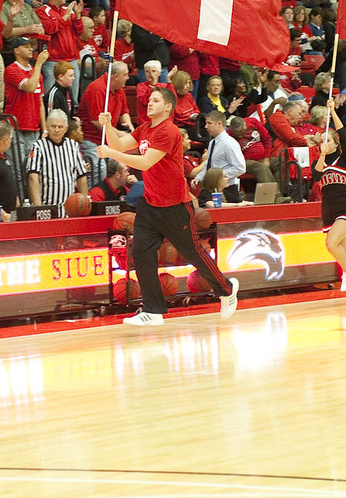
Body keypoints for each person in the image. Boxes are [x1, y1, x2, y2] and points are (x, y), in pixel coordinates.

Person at [96, 87, 239, 326]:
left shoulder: (169, 131)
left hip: (175, 206)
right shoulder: (144, 128)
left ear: (168, 107)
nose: (149, 103)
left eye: (155, 100)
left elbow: (145, 162)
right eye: (149, 100)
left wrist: (111, 153)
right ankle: (152, 310)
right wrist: (108, 126)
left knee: (194, 252)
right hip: (151, 204)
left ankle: (226, 289)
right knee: (140, 252)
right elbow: (120, 144)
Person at [315, 106, 346, 302]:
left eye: (327, 140)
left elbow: (343, 133)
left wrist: (333, 112)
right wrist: (321, 154)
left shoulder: (345, 159)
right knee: (342, 251)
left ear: (336, 143)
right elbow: (317, 175)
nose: (324, 144)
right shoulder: (319, 162)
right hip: (329, 210)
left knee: (331, 244)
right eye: (321, 141)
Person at [27, 109, 88, 209]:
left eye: (60, 127)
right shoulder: (38, 146)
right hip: (47, 207)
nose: (56, 130)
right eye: (53, 126)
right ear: (47, 127)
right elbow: (33, 177)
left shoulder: (73, 146)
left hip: (70, 208)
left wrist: (84, 204)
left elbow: (81, 176)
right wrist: (38, 208)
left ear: (66, 128)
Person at [4, 38, 49, 161]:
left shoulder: (36, 73)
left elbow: (40, 103)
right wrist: (39, 63)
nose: (31, 49)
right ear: (16, 51)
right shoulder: (11, 70)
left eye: (31, 46)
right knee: (17, 170)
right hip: (15, 127)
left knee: (32, 169)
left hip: (33, 128)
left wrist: (44, 129)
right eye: (26, 46)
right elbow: (29, 87)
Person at [189, 111, 246, 202]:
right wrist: (199, 177)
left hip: (227, 188)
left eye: (209, 123)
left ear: (219, 123)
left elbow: (240, 167)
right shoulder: (213, 142)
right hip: (213, 187)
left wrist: (217, 177)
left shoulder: (229, 143)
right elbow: (209, 164)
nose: (206, 126)